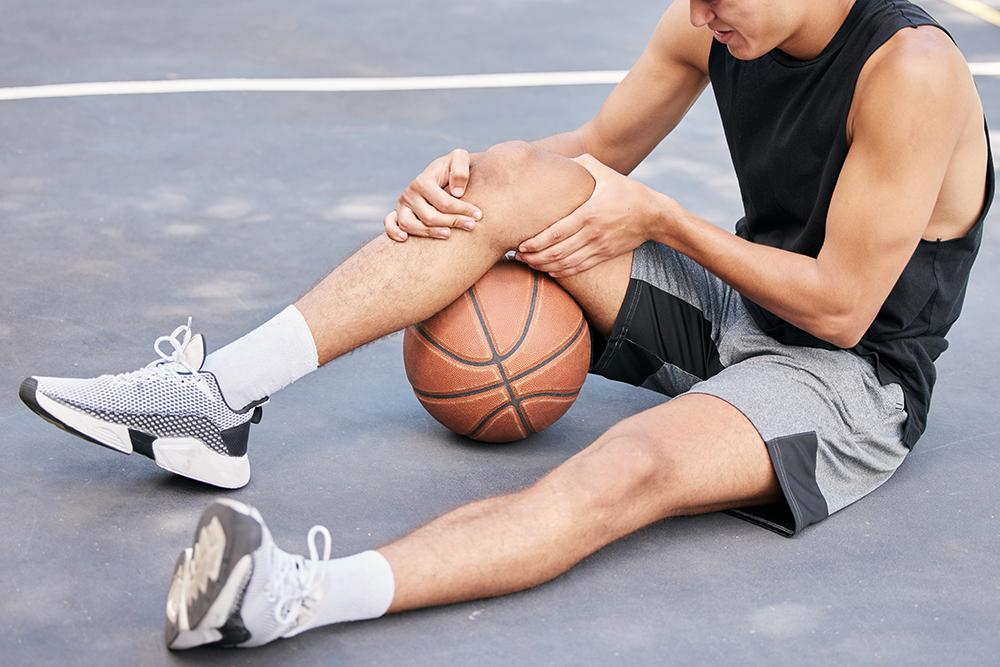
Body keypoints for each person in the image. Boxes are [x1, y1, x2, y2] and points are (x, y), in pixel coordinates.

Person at [19, 0, 993, 650]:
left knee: (630, 466)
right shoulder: (714, 21)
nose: (696, 14)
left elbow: (840, 304)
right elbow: (594, 152)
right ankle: (215, 399)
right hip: (731, 317)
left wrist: (663, 220)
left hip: (846, 379)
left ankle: (288, 596)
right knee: (513, 183)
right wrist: (473, 181)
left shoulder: (908, 70)